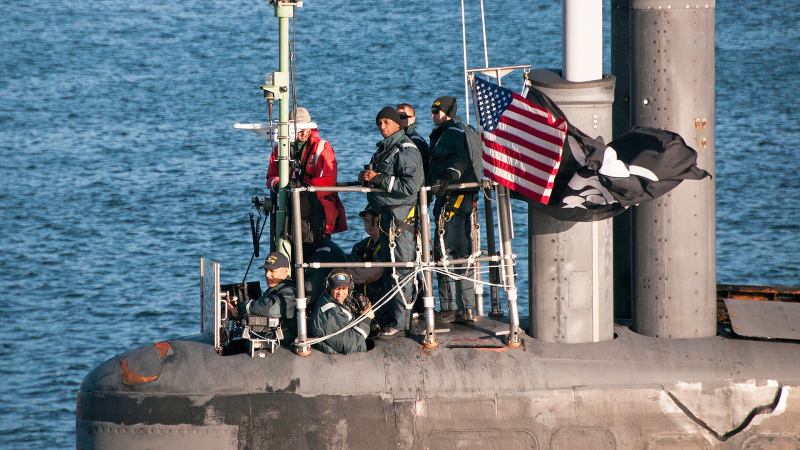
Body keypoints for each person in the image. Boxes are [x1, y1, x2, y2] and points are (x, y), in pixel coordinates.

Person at [359, 106, 424, 338]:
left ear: (398, 124)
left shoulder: (406, 150)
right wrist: (367, 177)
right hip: (387, 221)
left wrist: (378, 178)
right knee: (390, 271)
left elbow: (410, 187)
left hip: (401, 221)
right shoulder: (386, 150)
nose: (382, 128)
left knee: (402, 271)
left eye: (386, 123)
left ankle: (400, 322)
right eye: (379, 124)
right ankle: (389, 317)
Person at [428, 96, 479, 322]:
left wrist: (445, 179)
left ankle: (451, 307)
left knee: (445, 250)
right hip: (459, 199)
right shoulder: (457, 131)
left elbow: (460, 161)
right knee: (462, 251)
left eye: (436, 111)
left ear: (448, 112)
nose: (433, 115)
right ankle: (467, 307)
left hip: (453, 199)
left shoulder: (451, 134)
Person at [265, 107, 347, 241]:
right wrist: (279, 183)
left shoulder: (323, 147)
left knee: (316, 251)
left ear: (310, 129)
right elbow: (270, 177)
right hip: (289, 211)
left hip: (318, 213)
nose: (302, 134)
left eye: (304, 130)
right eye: (298, 130)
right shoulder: (279, 149)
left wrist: (302, 187)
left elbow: (328, 181)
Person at [226, 252, 297, 340]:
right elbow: (259, 308)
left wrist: (242, 307)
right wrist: (235, 311)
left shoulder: (291, 290)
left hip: (285, 342)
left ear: (285, 270)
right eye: (266, 270)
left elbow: (271, 308)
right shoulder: (274, 289)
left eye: (272, 271)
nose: (267, 275)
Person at [309, 270, 373, 354]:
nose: (341, 293)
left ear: (349, 288)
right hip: (342, 362)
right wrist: (366, 319)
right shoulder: (329, 312)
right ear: (329, 287)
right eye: (337, 288)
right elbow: (349, 345)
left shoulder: (333, 300)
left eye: (344, 288)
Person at [396, 103, 430, 179]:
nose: (397, 120)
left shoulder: (415, 141)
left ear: (413, 119)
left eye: (402, 116)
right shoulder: (400, 138)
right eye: (395, 117)